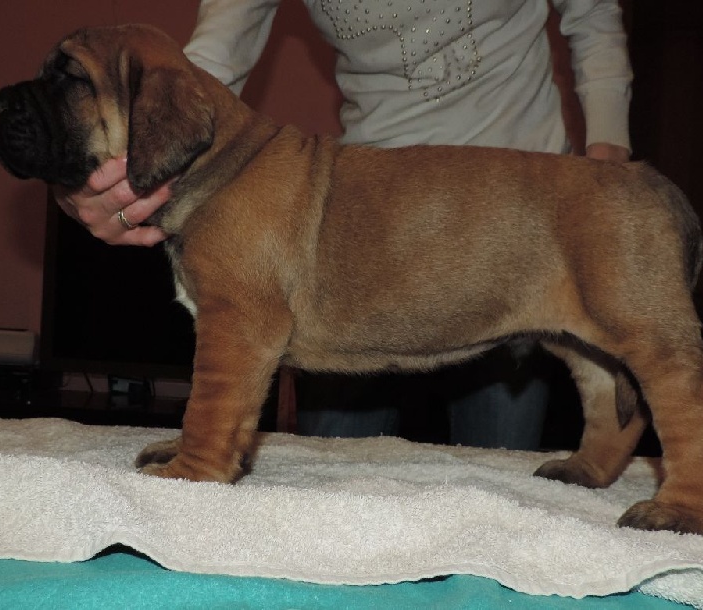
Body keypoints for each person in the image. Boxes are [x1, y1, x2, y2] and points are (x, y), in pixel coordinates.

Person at [54, 0, 632, 449]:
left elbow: (593, 17)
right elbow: (210, 63)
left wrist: (606, 175)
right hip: (369, 212)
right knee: (330, 466)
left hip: (516, 209)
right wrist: (112, 176)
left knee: (499, 477)